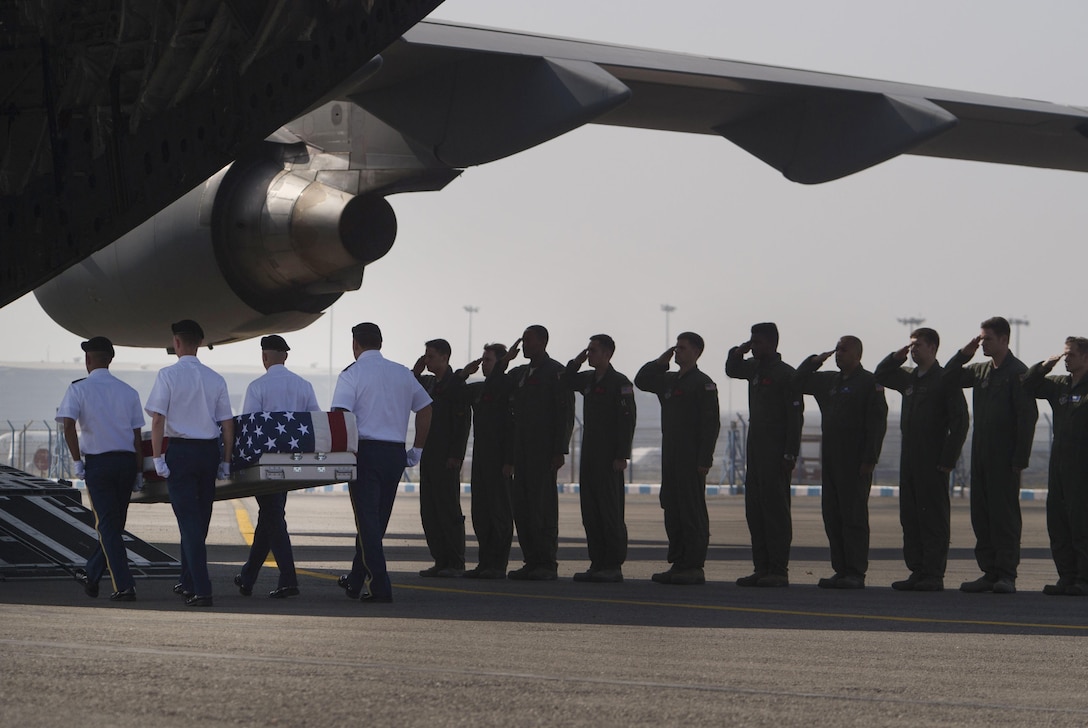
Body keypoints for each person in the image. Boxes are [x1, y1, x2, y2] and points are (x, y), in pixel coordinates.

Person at [332, 322, 432, 603]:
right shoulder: (402, 373)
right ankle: (354, 580)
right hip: (394, 454)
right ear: (380, 343)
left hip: (366, 452)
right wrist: (418, 450)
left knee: (367, 523)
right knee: (375, 522)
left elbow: (340, 414)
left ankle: (380, 586)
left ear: (356, 344)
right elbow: (426, 408)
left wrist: (342, 453)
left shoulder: (352, 374)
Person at [944, 317, 1038, 595]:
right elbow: (948, 377)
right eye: (981, 338)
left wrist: (1020, 459)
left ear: (1005, 340)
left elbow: (1027, 417)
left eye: (988, 339)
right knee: (981, 515)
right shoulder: (981, 370)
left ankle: (1006, 574)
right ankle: (989, 572)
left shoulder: (1018, 372)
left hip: (1005, 458)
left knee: (1004, 517)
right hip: (981, 456)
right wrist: (964, 354)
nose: (983, 343)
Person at [145, 320, 234, 607]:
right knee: (199, 520)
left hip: (181, 452)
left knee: (189, 523)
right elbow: (227, 423)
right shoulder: (215, 378)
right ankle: (188, 581)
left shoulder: (167, 375)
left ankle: (202, 589)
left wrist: (157, 457)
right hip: (208, 452)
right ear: (198, 343)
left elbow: (157, 419)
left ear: (177, 343)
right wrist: (226, 460)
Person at [874, 327, 968, 592]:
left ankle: (933, 573)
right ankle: (917, 569)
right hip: (911, 458)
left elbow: (960, 422)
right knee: (911, 516)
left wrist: (948, 458)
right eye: (911, 345)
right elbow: (880, 375)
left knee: (933, 518)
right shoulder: (909, 379)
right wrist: (896, 357)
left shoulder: (944, 379)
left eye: (918, 345)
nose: (913, 349)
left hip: (933, 458)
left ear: (933, 348)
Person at [794, 336, 888, 589]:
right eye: (836, 350)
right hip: (832, 459)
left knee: (853, 517)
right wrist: (814, 361)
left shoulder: (869, 383)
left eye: (843, 350)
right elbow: (798, 381)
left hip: (855, 461)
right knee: (833, 516)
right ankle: (841, 569)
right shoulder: (829, 381)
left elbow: (877, 423)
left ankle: (856, 571)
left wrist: (870, 458)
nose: (838, 354)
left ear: (857, 354)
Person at [57, 336, 144, 602]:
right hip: (127, 463)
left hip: (100, 464)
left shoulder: (78, 389)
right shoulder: (129, 391)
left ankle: (124, 586)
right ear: (111, 359)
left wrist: (76, 460)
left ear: (88, 359)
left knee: (108, 526)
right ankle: (91, 573)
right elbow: (137, 435)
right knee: (114, 525)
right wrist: (139, 471)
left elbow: (68, 425)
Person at [234, 335, 319, 599]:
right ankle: (248, 576)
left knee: (273, 517)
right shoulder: (304, 385)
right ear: (286, 356)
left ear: (264, 357)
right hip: (294, 463)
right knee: (269, 517)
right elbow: (316, 420)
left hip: (265, 464)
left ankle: (288, 579)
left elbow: (248, 425)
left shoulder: (257, 386)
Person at [488, 325, 574, 581]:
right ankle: (531, 560)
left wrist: (560, 450)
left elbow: (565, 413)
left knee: (542, 507)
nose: (524, 346)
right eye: (522, 341)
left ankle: (546, 562)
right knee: (523, 508)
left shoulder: (556, 372)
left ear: (543, 342)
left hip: (544, 451)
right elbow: (495, 387)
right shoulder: (520, 373)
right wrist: (504, 362)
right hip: (521, 450)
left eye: (528, 341)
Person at [635, 332, 719, 586]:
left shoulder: (703, 383)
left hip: (691, 457)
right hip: (671, 454)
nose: (677, 351)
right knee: (672, 507)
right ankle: (678, 561)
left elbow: (710, 424)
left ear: (697, 352)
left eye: (682, 348)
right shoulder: (669, 380)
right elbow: (642, 380)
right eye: (676, 347)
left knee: (691, 510)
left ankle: (693, 565)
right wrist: (661, 361)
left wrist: (705, 458)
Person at [726, 323, 803, 588]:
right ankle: (762, 568)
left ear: (772, 344)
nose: (753, 346)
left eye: (757, 342)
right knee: (755, 511)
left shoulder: (786, 375)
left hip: (776, 453)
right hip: (756, 452)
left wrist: (790, 453)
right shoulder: (755, 369)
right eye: (751, 342)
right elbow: (732, 369)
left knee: (775, 512)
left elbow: (795, 418)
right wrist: (740, 351)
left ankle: (778, 569)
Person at [562, 334, 637, 583]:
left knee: (609, 510)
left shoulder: (620, 382)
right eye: (588, 350)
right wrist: (577, 360)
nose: (589, 353)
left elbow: (627, 421)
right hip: (590, 453)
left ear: (607, 354)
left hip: (609, 455)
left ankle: (612, 564)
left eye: (593, 350)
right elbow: (565, 380)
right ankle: (597, 562)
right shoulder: (588, 379)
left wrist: (621, 455)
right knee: (591, 510)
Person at [1022, 337, 1088, 596]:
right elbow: (1028, 385)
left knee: (1081, 523)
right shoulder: (1060, 385)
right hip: (1059, 464)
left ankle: (1084, 579)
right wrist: (1045, 365)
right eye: (1065, 354)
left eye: (1071, 354)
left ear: (1085, 357)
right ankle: (1067, 577)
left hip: (1083, 466)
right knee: (1058, 522)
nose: (1066, 358)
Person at [412, 338, 471, 578]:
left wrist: (456, 455)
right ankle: (440, 559)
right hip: (428, 452)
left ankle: (455, 561)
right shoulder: (427, 383)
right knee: (429, 510)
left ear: (445, 357)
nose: (427, 360)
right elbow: (409, 386)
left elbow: (462, 422)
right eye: (426, 355)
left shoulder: (455, 385)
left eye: (431, 356)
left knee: (447, 509)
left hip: (446, 456)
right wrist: (416, 368)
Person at [456, 344, 515, 579]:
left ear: (501, 363)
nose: (483, 363)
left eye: (488, 360)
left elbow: (512, 426)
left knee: (499, 512)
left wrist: (510, 460)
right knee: (481, 512)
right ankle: (485, 562)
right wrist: (463, 374)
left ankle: (498, 564)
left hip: (500, 457)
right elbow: (453, 393)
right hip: (481, 455)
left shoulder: (506, 386)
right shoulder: (480, 389)